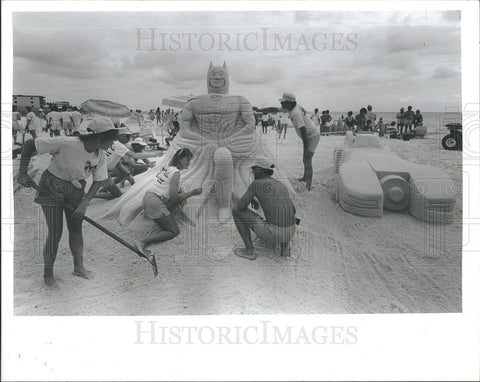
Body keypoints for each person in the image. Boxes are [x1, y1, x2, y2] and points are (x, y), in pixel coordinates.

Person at [17, 117, 119, 287]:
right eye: (111, 139)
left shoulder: (100, 154)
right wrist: (22, 173)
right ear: (100, 136)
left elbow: (99, 180)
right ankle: (48, 276)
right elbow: (29, 144)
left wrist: (85, 203)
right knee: (55, 231)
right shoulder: (67, 143)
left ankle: (79, 268)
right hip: (52, 184)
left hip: (76, 188)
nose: (112, 143)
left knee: (76, 228)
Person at [134, 148, 203, 255]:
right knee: (173, 231)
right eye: (187, 160)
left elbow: (168, 185)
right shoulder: (176, 173)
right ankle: (142, 241)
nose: (189, 164)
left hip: (148, 198)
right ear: (179, 159)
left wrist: (182, 195)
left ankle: (157, 215)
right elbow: (175, 196)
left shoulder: (168, 167)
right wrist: (192, 193)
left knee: (180, 200)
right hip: (154, 203)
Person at [232, 159, 297, 260]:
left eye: (253, 169)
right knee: (282, 215)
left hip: (274, 234)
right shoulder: (280, 184)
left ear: (259, 171)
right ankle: (285, 248)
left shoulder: (256, 184)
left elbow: (240, 207)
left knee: (235, 210)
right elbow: (293, 210)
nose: (252, 172)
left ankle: (249, 251)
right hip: (291, 231)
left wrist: (250, 197)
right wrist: (253, 198)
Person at [95, 130, 162, 199]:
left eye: (129, 136)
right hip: (103, 172)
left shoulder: (116, 144)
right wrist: (154, 154)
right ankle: (89, 195)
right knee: (117, 194)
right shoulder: (120, 146)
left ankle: (106, 188)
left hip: (103, 170)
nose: (128, 138)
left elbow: (118, 163)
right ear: (120, 136)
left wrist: (128, 174)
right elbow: (134, 157)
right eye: (127, 136)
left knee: (127, 171)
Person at [280, 92, 320, 191]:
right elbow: (275, 109)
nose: (281, 104)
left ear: (289, 103)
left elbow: (303, 130)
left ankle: (309, 183)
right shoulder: (293, 107)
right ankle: (305, 177)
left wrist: (306, 146)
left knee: (307, 160)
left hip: (312, 136)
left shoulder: (295, 113)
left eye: (283, 102)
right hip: (307, 136)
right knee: (305, 159)